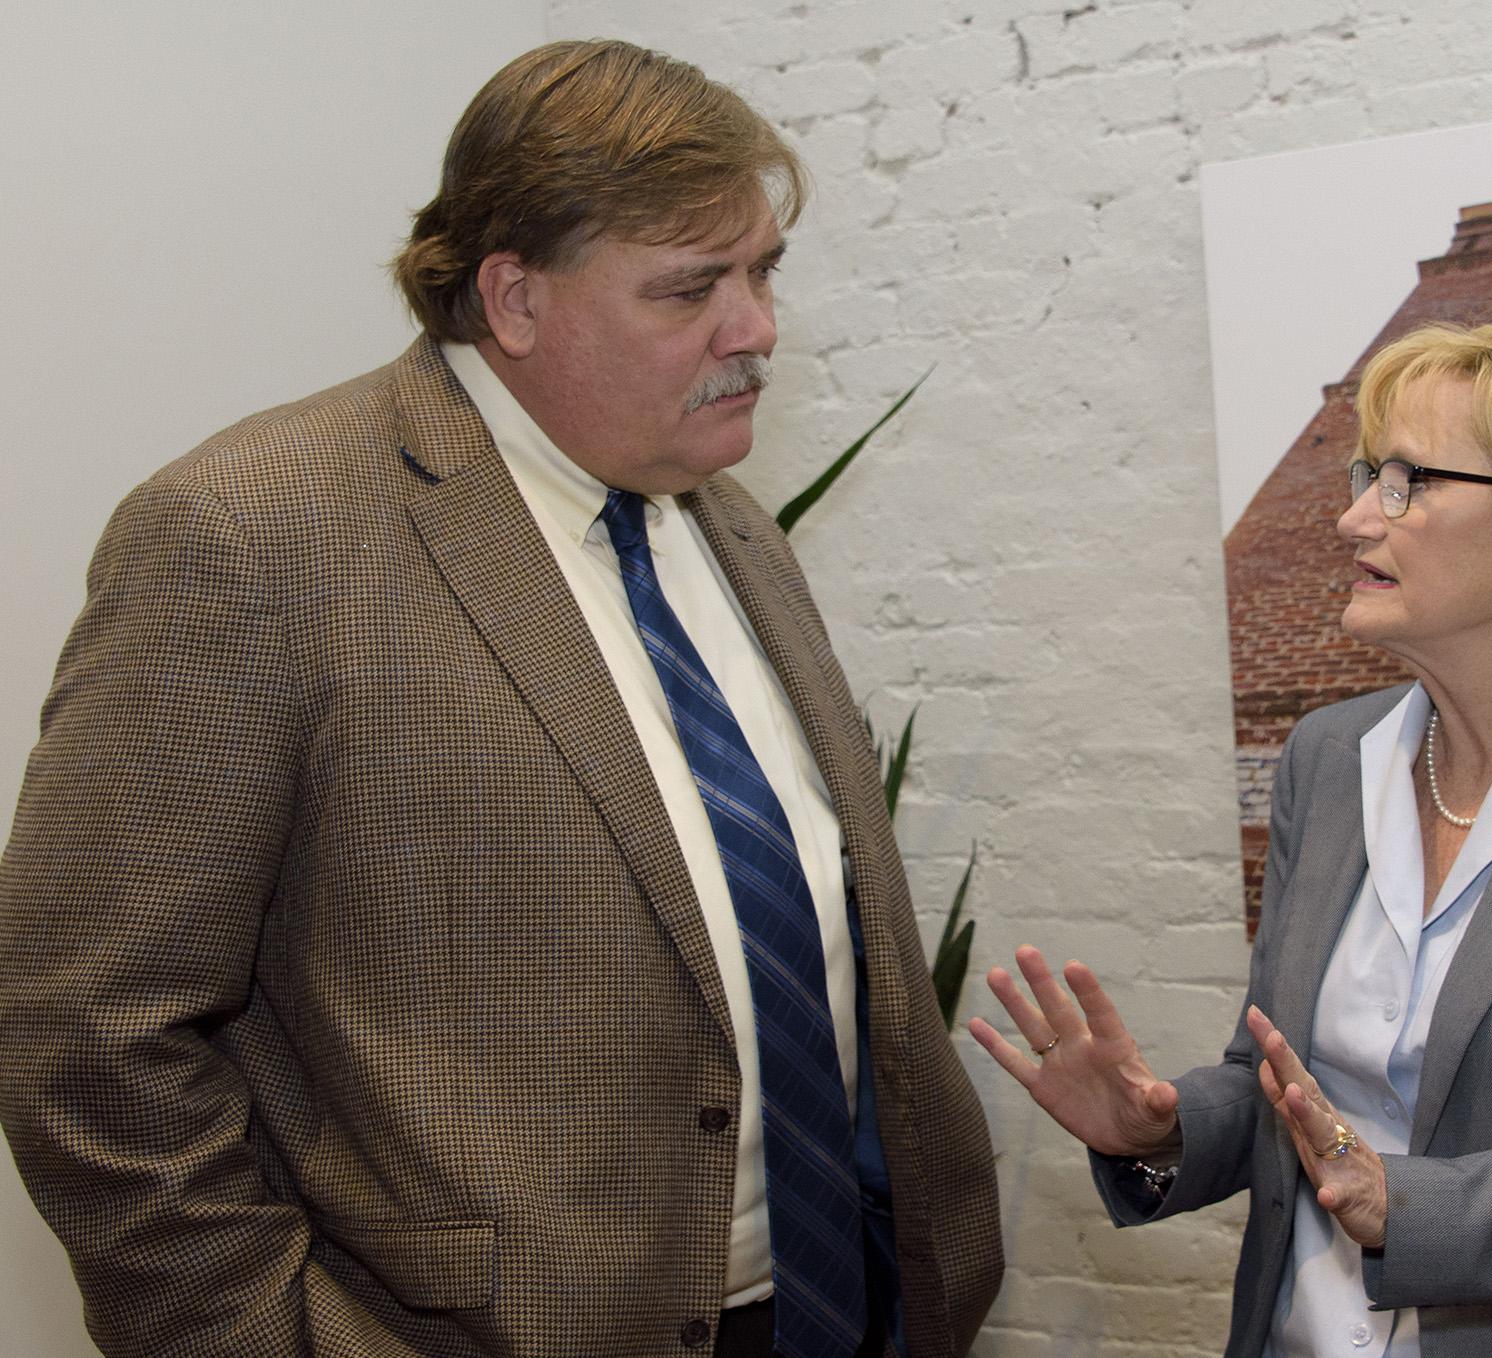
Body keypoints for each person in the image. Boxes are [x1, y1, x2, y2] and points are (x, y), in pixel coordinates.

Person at [0, 39, 1000, 1358]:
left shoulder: (727, 526)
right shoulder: (253, 535)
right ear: (513, 299)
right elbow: (88, 1029)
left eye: (762, 271)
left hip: (830, 1304)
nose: (755, 326)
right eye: (691, 286)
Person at [972, 316, 1492, 1356]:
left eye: (1408, 481)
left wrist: (1409, 1207)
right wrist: (1163, 1125)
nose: (1354, 515)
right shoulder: (1329, 760)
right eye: (1370, 472)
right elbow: (1289, 1084)